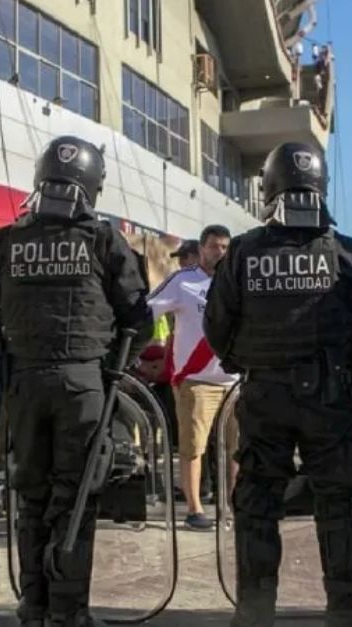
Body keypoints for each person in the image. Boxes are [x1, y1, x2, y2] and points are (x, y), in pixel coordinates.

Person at [205, 142, 352, 627]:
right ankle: (346, 612)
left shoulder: (244, 251)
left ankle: (254, 614)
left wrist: (247, 363)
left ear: (268, 188)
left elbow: (216, 326)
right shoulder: (344, 251)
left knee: (257, 504)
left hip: (264, 396)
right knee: (335, 502)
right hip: (331, 400)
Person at [0, 136, 152, 627]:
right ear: (92, 186)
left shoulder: (5, 241)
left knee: (31, 497)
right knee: (76, 496)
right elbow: (138, 320)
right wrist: (110, 372)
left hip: (25, 383)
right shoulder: (102, 239)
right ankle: (68, 611)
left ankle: (33, 606)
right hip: (84, 385)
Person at [148, 224, 236, 530]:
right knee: (192, 446)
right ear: (201, 249)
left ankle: (231, 505)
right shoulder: (183, 281)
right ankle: (195, 509)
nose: (220, 252)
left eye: (225, 247)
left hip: (234, 380)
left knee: (236, 447)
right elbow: (148, 310)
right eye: (214, 246)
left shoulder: (237, 281)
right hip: (196, 380)